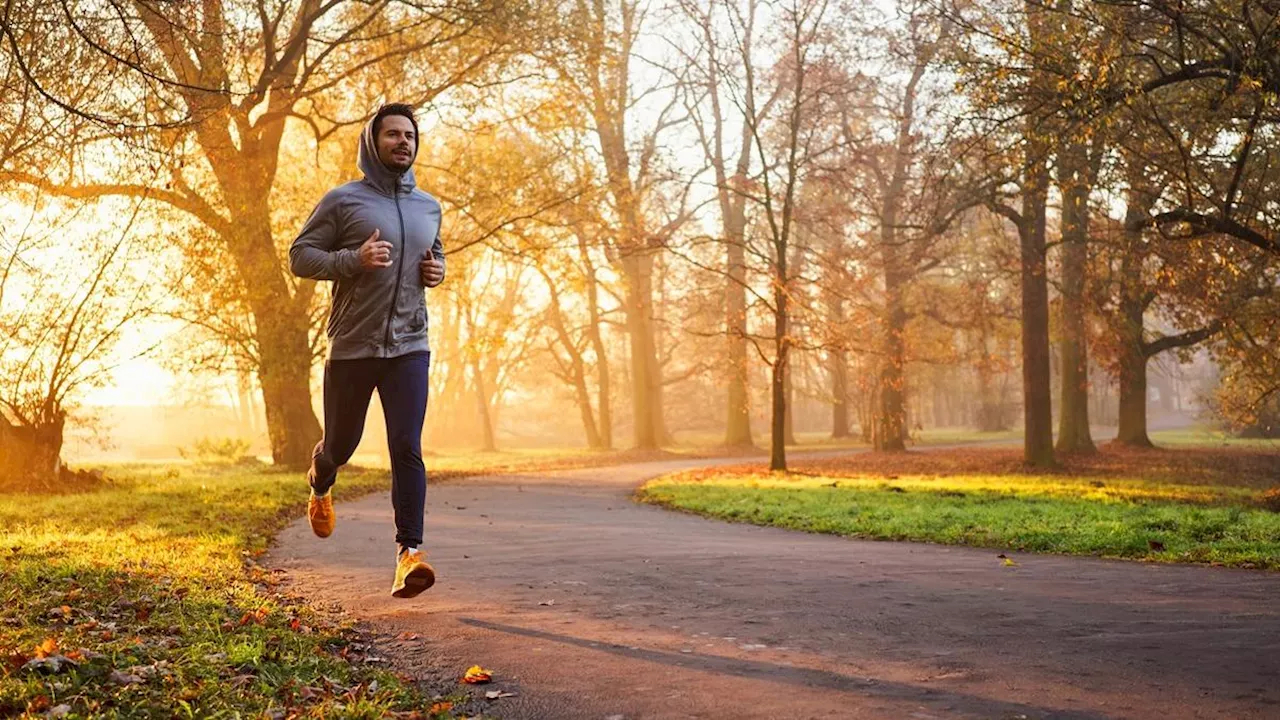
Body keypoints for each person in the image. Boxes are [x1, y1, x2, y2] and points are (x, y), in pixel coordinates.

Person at [289, 103, 446, 599]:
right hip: (353, 346)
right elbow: (300, 256)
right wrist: (352, 260)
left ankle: (409, 554)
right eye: (393, 135)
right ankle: (320, 481)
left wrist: (437, 270)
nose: (403, 142)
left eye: (409, 136)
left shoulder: (428, 206)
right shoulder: (343, 201)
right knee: (341, 443)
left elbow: (433, 252)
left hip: (410, 345)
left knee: (407, 446)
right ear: (372, 143)